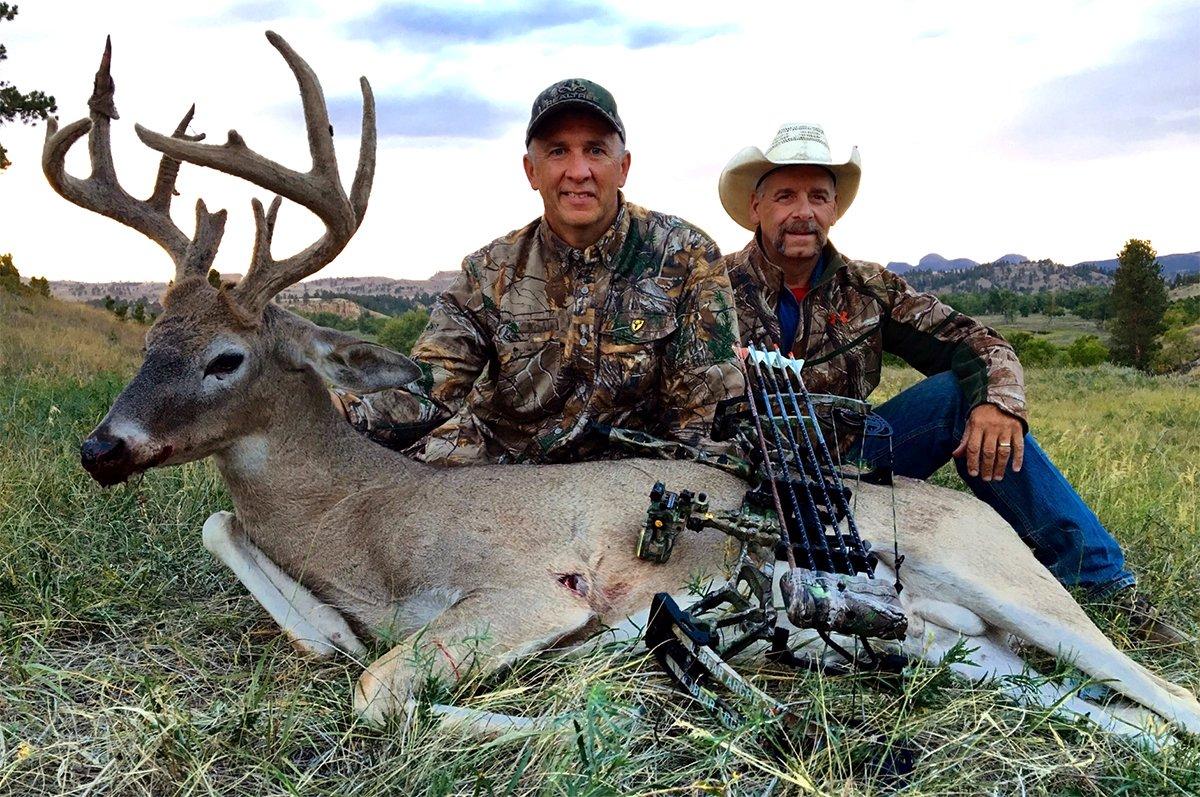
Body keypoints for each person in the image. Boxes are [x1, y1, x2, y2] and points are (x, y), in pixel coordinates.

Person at [716, 123, 1184, 641]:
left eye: (818, 196)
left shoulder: (871, 288)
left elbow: (976, 341)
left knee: (964, 399)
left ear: (834, 209)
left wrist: (999, 403)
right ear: (756, 207)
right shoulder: (709, 288)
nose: (803, 211)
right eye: (786, 195)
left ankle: (1103, 587)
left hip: (849, 460)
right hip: (739, 469)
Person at [334, 79, 742, 465]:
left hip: (627, 479)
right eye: (558, 151)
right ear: (532, 170)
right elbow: (430, 386)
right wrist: (336, 408)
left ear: (623, 167)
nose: (578, 171)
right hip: (502, 467)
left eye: (596, 150)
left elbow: (700, 417)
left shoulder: (687, 256)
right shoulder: (489, 271)